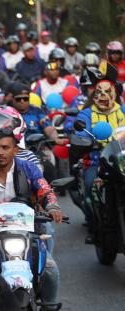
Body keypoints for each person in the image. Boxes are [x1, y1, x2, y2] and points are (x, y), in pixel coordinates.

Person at [0, 129, 62, 309]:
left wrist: (52, 206)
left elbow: (44, 188)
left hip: (28, 233)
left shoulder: (28, 168)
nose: (0, 152)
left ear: (15, 150)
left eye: (6, 147)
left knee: (51, 270)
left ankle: (50, 306)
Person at [75, 68, 125, 244]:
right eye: (99, 92)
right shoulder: (86, 113)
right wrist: (83, 137)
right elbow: (77, 129)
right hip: (98, 160)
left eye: (107, 91)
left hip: (121, 159)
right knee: (90, 188)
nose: (104, 95)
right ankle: (94, 225)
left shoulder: (123, 110)